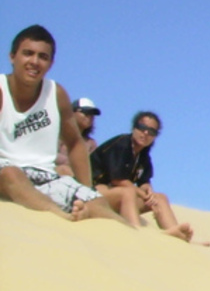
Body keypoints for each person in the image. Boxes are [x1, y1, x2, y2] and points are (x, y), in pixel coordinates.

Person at [0, 25, 128, 225]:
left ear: (51, 63)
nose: (34, 61)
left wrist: (86, 190)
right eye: (28, 54)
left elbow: (75, 142)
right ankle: (61, 218)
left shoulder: (56, 93)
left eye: (43, 57)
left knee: (99, 205)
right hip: (6, 171)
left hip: (45, 176)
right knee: (10, 174)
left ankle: (141, 240)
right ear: (12, 57)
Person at [91, 112, 199, 242]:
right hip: (93, 194)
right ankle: (138, 234)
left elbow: (144, 181)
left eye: (152, 131)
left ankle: (178, 236)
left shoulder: (143, 156)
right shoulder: (120, 145)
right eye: (142, 127)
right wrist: (143, 195)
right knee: (128, 191)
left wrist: (149, 193)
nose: (146, 133)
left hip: (120, 200)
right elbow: (117, 179)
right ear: (134, 128)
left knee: (160, 198)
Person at [55, 97, 100, 177]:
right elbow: (51, 155)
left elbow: (94, 164)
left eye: (92, 115)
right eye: (86, 113)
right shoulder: (59, 135)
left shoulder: (91, 143)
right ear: (72, 113)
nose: (89, 117)